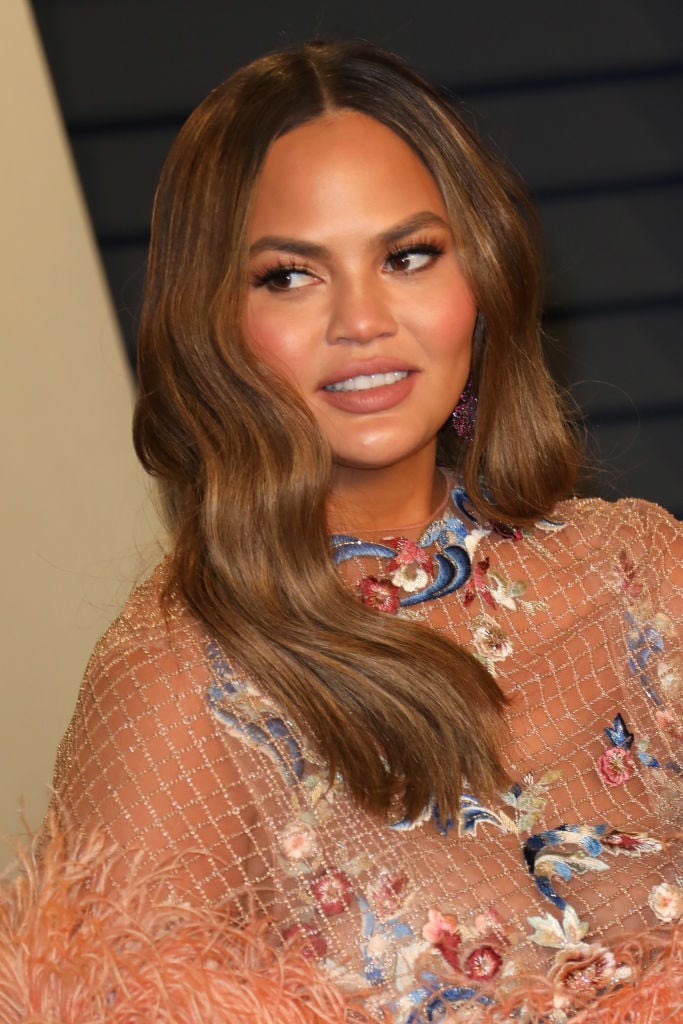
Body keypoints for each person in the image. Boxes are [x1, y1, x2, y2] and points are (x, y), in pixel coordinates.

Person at [51, 41, 682, 1022]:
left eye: (406, 256)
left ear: (480, 280)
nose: (361, 320)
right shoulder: (177, 690)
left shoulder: (635, 572)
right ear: (212, 325)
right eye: (289, 275)